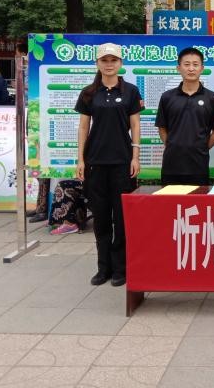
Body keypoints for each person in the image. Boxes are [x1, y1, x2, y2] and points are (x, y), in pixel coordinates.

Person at [75, 43, 143, 287]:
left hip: (122, 163)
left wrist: (135, 156)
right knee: (101, 218)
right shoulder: (88, 93)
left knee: (122, 218)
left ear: (121, 63)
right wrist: (80, 159)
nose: (109, 64)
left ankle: (120, 268)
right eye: (104, 60)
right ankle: (103, 267)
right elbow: (84, 127)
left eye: (114, 60)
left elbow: (135, 125)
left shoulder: (131, 91)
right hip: (95, 163)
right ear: (98, 63)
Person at [156, 47, 214, 186]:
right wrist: (173, 146)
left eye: (195, 64)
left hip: (199, 166)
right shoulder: (167, 97)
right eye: (186, 64)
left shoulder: (212, 98)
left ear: (202, 68)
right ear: (178, 68)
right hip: (171, 165)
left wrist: (202, 148)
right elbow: (162, 127)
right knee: (170, 200)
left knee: (197, 200)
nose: (191, 68)